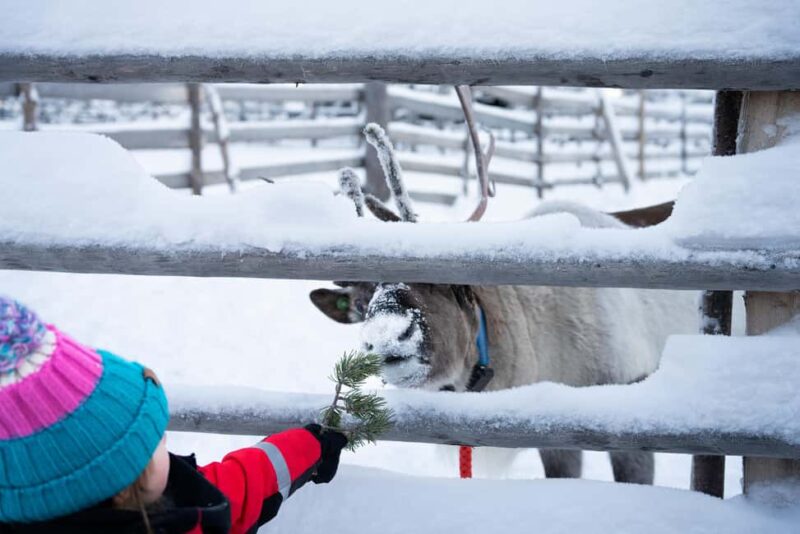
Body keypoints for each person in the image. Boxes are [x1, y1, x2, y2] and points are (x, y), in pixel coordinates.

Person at [0, 296, 348, 533]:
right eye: (155, 440)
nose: (165, 445)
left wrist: (309, 448)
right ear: (126, 484)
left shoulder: (167, 501)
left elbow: (237, 486)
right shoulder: (176, 521)